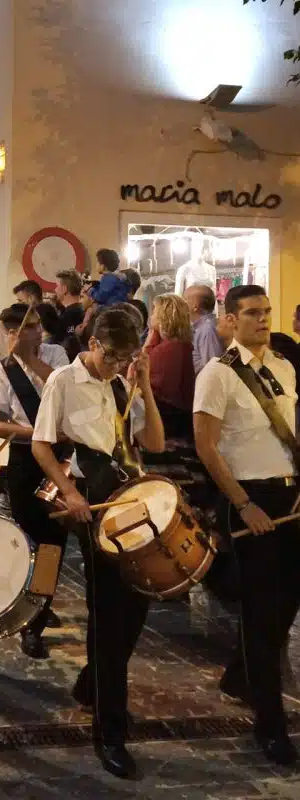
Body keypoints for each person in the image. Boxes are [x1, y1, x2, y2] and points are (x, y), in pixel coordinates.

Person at [32, 308, 164, 779]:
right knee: (109, 611)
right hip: (92, 500)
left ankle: (93, 683)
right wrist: (68, 494)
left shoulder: (123, 384)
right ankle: (110, 731)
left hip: (129, 497)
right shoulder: (64, 381)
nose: (115, 365)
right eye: (110, 356)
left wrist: (143, 384)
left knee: (139, 603)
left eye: (125, 358)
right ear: (92, 343)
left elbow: (155, 442)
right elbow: (41, 444)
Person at [194, 284, 300, 767]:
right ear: (230, 320)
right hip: (249, 498)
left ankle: (240, 677)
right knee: (262, 612)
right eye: (253, 313)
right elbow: (207, 448)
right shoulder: (217, 375)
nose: (263, 320)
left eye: (267, 312)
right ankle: (270, 724)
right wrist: (241, 503)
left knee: (285, 608)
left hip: (290, 494)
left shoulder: (283, 365)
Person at [0, 304, 69, 659]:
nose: (31, 333)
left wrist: (31, 359)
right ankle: (30, 603)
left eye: (35, 326)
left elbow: (65, 391)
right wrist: (36, 432)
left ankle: (36, 619)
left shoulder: (57, 354)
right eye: (23, 329)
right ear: (9, 332)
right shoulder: (0, 370)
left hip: (61, 458)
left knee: (54, 540)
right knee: (29, 538)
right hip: (25, 458)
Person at [143, 294, 195, 438]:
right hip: (177, 416)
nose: (151, 316)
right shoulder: (180, 345)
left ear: (163, 317)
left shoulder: (168, 349)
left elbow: (146, 378)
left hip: (167, 419)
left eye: (154, 312)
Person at [183, 283, 224, 374]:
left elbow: (213, 368)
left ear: (195, 306)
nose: (181, 305)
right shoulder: (201, 328)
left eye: (184, 301)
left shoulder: (207, 330)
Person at [55, 270, 84, 334]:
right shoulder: (83, 310)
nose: (55, 289)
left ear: (64, 289)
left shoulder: (66, 317)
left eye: (57, 286)